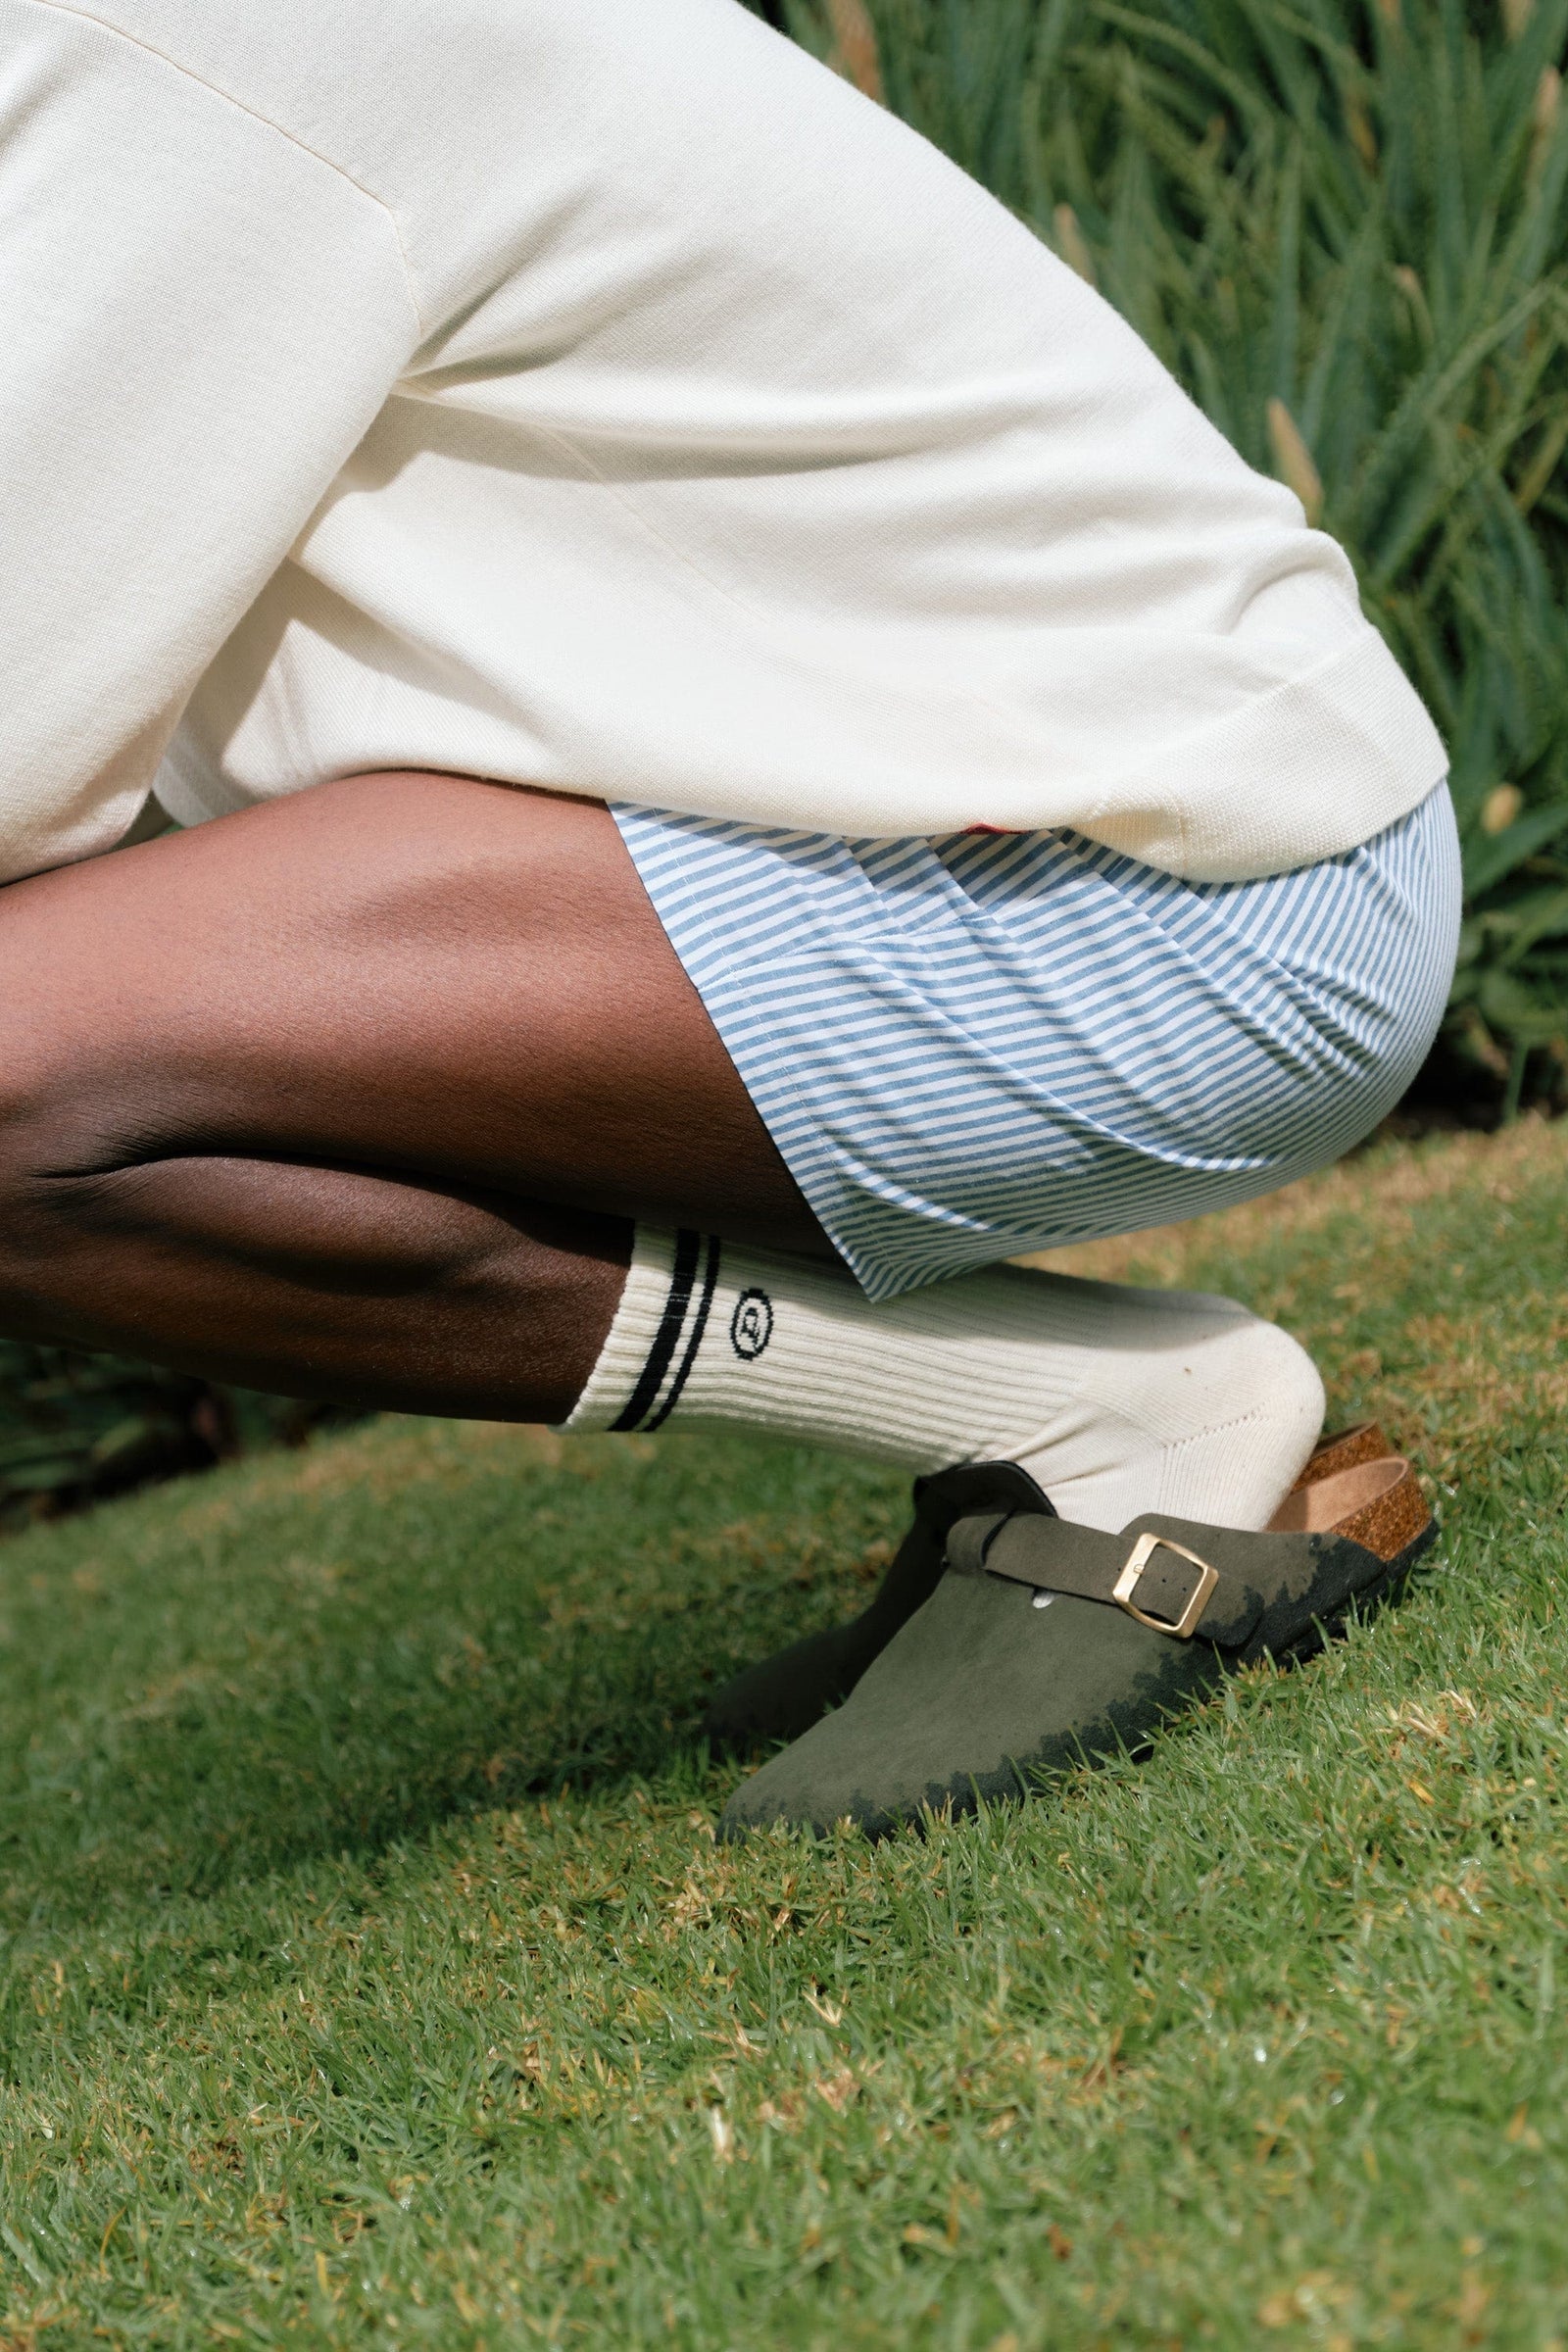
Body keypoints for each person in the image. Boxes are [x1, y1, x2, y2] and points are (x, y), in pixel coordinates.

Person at [1, 0, 1458, 1836]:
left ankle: (1103, 1419)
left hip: (1188, 905)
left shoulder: (165, 46)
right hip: (1022, 845)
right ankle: (1083, 1408)